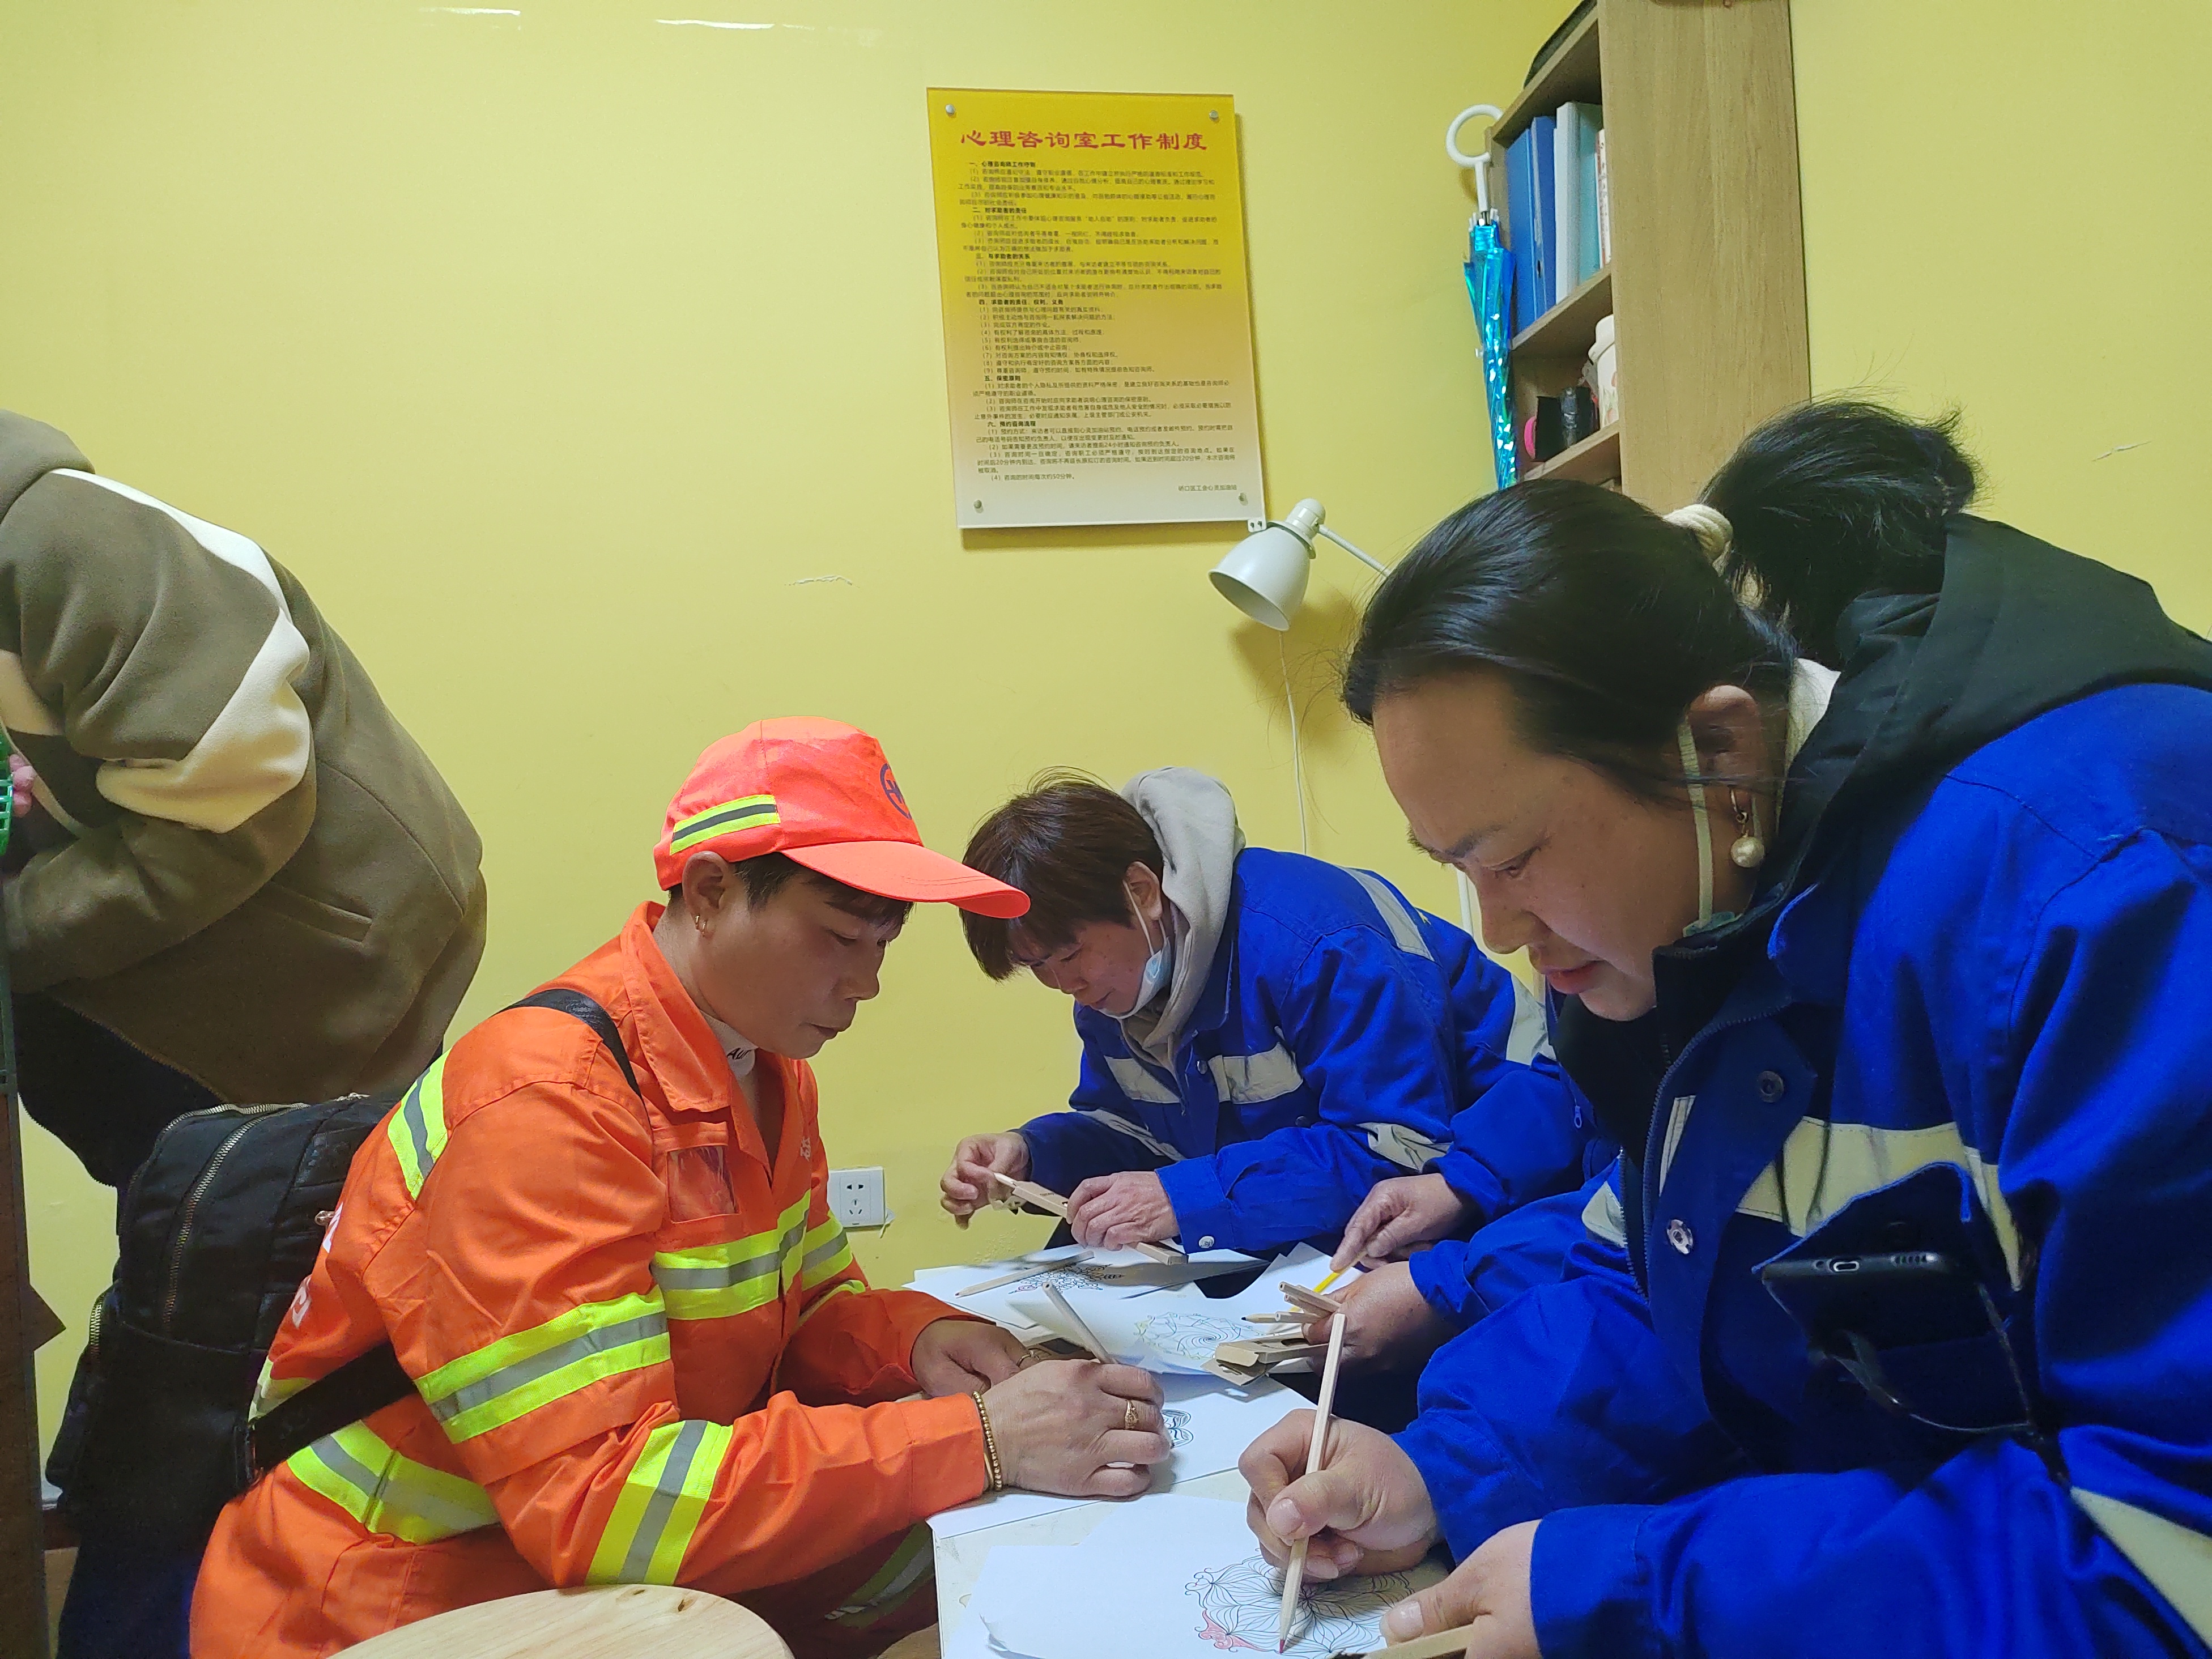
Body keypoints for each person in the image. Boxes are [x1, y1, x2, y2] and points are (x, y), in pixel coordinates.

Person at [1239, 402, 2212, 1657]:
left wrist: (1645, 1589)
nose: (1497, 930)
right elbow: (1673, 1277)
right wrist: (1444, 1467)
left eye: (1514, 857)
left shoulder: (2100, 892)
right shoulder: (1697, 915)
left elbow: (2169, 1555)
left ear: (1716, 747)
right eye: (1454, 869)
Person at [194, 720, 1172, 1658]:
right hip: (393, 1604)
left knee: (967, 1555)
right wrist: (981, 1437)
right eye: (840, 938)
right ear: (708, 891)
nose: (866, 983)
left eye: (880, 945)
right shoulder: (546, 1104)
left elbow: (807, 1304)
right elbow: (602, 1506)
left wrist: (915, 1340)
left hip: (584, 1577)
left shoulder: (769, 1071)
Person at [0, 410, 486, 1188]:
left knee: (317, 1247)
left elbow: (225, 809)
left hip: (292, 998)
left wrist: (17, 923)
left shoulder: (64, 547)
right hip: (162, 1000)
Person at [938, 769, 1604, 1261]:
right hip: (1332, 1224)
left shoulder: (1314, 942)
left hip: (1516, 1172)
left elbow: (1398, 1147)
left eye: (1068, 954)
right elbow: (1141, 1135)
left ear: (1141, 892)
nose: (1063, 985)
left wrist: (1183, 1198)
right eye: (1036, 967)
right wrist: (1033, 1154)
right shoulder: (1117, 988)